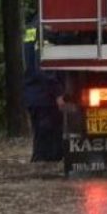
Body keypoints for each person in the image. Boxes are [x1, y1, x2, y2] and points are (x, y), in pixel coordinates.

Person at [22, 23, 64, 162]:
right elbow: (44, 66)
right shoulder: (46, 25)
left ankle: (40, 173)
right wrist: (58, 93)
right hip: (45, 97)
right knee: (48, 151)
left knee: (41, 146)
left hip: (35, 94)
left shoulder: (32, 26)